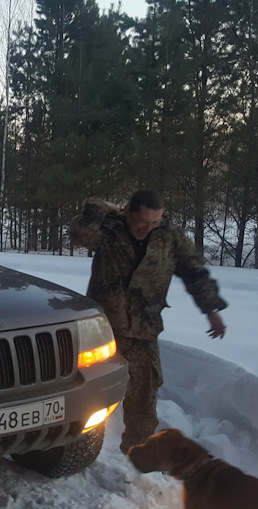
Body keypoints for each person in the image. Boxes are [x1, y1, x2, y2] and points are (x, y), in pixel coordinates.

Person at [68, 189, 228, 454]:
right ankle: (76, 450)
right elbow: (79, 233)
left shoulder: (169, 237)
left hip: (144, 331)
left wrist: (210, 308)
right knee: (91, 396)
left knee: (144, 402)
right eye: (143, 221)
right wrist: (100, 205)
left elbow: (194, 272)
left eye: (155, 222)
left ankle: (137, 459)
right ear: (128, 211)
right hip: (104, 332)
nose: (148, 228)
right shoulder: (109, 230)